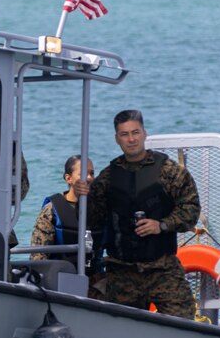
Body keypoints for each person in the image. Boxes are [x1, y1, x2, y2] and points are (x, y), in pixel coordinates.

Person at [75, 109, 201, 318]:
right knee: (122, 330)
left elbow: (191, 210)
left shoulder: (169, 171)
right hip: (122, 272)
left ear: (144, 133)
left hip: (162, 269)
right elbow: (90, 220)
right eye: (124, 135)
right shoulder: (108, 177)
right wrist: (83, 198)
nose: (131, 139)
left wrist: (161, 225)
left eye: (135, 133)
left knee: (185, 324)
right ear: (117, 139)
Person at [31, 154, 106, 298]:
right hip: (59, 280)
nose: (89, 178)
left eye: (92, 173)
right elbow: (38, 256)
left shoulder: (102, 209)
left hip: (93, 281)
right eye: (83, 174)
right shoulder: (52, 210)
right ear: (68, 178)